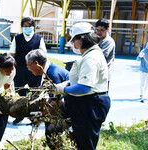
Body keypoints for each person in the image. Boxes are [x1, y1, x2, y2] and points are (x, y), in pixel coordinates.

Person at [54, 22, 111, 150]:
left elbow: (84, 87)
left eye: (74, 40)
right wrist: (68, 83)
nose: (73, 44)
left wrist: (63, 89)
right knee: (82, 141)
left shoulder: (91, 58)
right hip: (85, 104)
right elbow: (81, 80)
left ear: (82, 39)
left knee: (86, 144)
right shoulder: (90, 54)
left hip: (89, 105)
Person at [25, 49, 69, 150]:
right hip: (68, 104)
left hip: (74, 106)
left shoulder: (52, 74)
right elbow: (53, 97)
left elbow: (58, 101)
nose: (28, 69)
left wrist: (40, 114)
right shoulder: (49, 70)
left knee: (51, 131)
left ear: (36, 63)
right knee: (50, 128)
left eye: (28, 65)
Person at [9, 17, 47, 125]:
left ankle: (33, 116)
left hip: (34, 71)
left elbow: (43, 55)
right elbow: (12, 54)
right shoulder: (17, 38)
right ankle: (20, 115)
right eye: (25, 26)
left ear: (33, 27)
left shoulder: (39, 38)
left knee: (34, 93)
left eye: (29, 26)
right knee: (20, 94)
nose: (27, 28)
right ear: (22, 27)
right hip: (20, 70)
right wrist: (15, 67)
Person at [95, 18, 116, 89]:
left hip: (103, 75)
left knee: (102, 98)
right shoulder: (98, 39)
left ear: (107, 29)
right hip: (96, 74)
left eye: (101, 30)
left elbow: (102, 57)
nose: (99, 32)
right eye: (97, 30)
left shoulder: (108, 42)